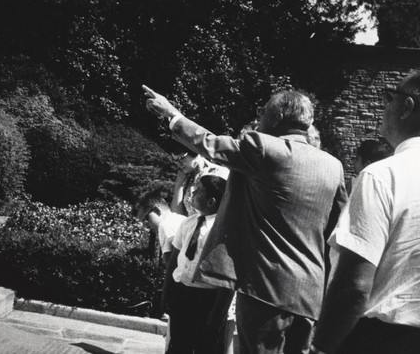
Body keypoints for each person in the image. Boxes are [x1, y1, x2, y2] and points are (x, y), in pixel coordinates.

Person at [143, 85, 347, 354]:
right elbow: (338, 228)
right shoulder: (333, 165)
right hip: (310, 293)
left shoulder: (264, 148)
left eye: (263, 113)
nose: (260, 119)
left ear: (277, 118)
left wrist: (171, 113)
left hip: (265, 291)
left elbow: (209, 143)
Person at [312, 71, 420, 354]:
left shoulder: (383, 175)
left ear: (407, 107)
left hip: (386, 340)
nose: (384, 107)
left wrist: (320, 348)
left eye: (388, 98)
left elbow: (355, 285)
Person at [164, 174, 235, 354]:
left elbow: (229, 274)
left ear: (211, 201)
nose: (193, 193)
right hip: (182, 293)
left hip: (206, 299)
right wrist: (167, 292)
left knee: (204, 347)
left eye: (198, 191)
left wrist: (219, 309)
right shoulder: (188, 223)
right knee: (178, 345)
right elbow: (174, 258)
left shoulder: (224, 229)